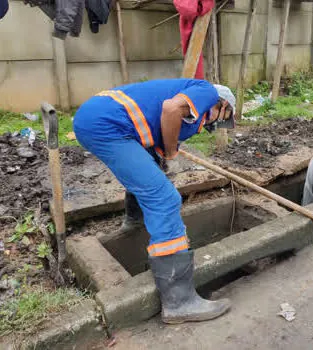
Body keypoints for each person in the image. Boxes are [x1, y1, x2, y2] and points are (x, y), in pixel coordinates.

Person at [73, 79, 235, 324]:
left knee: (150, 178)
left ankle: (135, 226)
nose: (217, 122)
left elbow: (159, 132)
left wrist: (164, 157)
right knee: (165, 199)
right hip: (107, 124)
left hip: (98, 118)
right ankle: (180, 302)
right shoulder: (208, 92)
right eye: (224, 115)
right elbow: (170, 109)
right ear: (223, 105)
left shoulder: (189, 114)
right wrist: (171, 154)